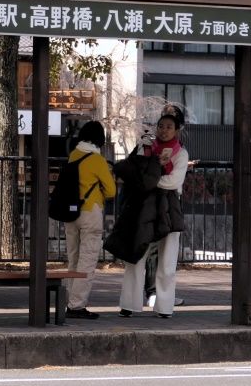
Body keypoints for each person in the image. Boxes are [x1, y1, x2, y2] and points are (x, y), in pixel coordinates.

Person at [118, 107, 188, 319]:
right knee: (136, 255)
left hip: (168, 208)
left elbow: (175, 181)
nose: (164, 130)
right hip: (144, 206)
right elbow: (133, 170)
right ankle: (129, 304)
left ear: (177, 130)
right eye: (161, 126)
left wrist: (148, 182)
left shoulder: (181, 153)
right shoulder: (145, 146)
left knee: (167, 260)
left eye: (169, 127)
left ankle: (165, 306)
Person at [63, 121, 115, 320]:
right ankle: (77, 306)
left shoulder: (73, 156)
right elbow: (111, 191)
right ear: (99, 139)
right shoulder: (97, 160)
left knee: (73, 258)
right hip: (90, 213)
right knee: (87, 260)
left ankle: (70, 301)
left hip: (70, 214)